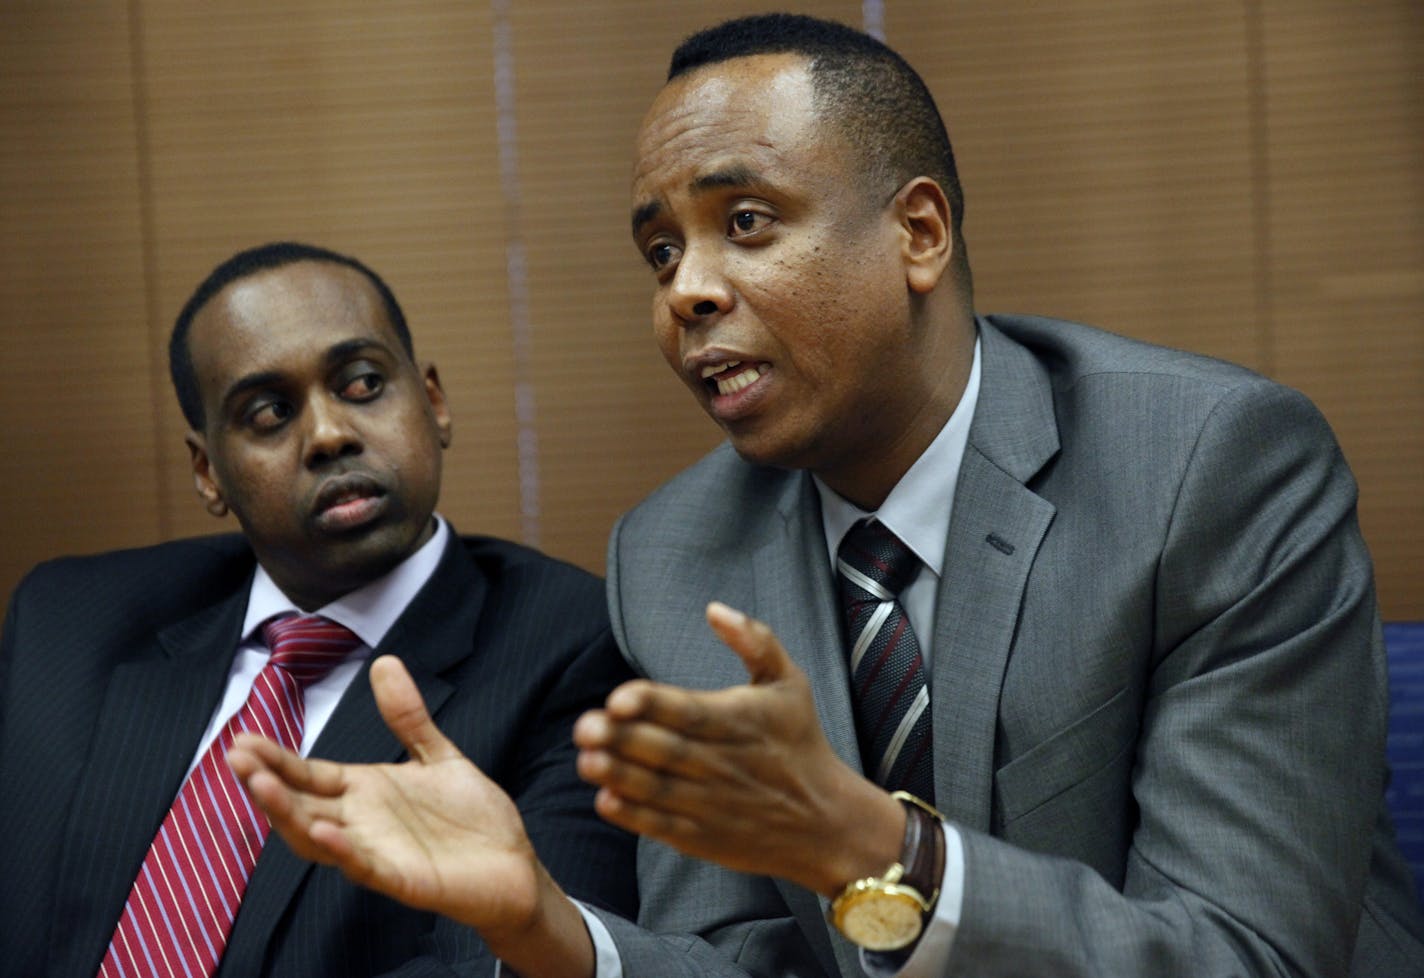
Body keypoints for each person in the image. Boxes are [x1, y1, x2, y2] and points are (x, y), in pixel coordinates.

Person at [226, 14, 1424, 978]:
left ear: (916, 231)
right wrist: (546, 928)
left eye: (744, 223)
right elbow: (740, 960)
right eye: (659, 252)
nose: (685, 291)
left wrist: (867, 845)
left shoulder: (1211, 465)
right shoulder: (675, 552)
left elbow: (1245, 952)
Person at [0, 241, 637, 977]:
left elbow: (514, 958)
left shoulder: (571, 645)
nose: (330, 434)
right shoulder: (70, 622)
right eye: (269, 413)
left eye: (363, 383)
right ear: (209, 473)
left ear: (432, 403)